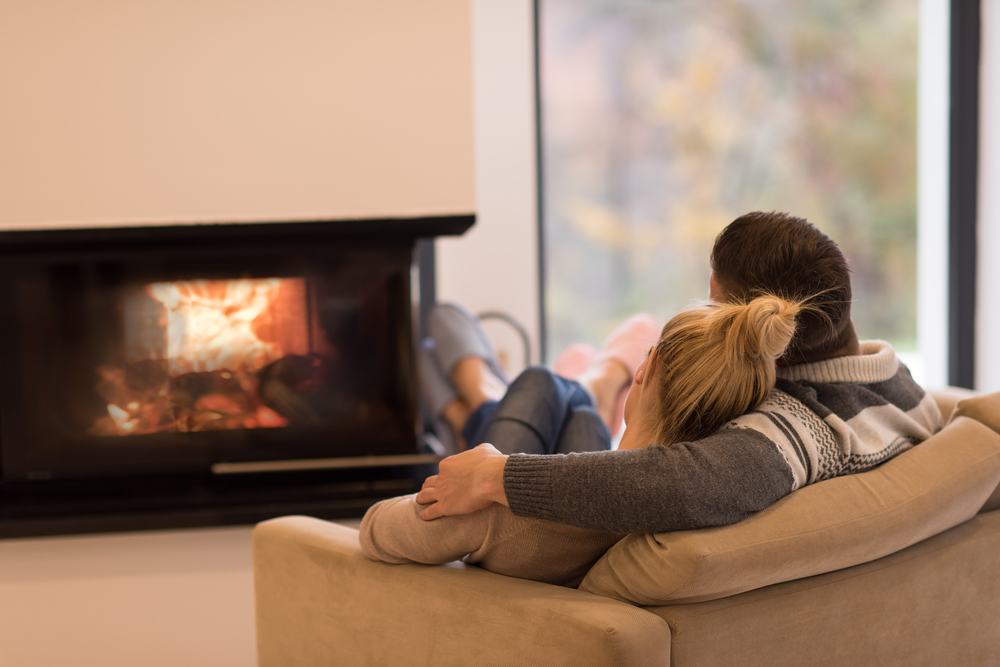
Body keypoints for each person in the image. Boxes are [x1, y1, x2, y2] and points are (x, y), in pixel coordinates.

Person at [413, 211, 944, 533]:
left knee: (536, 382)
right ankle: (509, 398)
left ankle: (492, 403)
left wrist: (493, 474)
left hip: (541, 556)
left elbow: (683, 486)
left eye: (714, 305)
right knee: (552, 387)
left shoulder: (791, 430)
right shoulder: (902, 385)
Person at [360, 294, 805, 586]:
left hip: (515, 531)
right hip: (583, 500)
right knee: (572, 404)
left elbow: (375, 529)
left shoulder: (491, 516)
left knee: (503, 366)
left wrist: (481, 471)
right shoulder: (684, 507)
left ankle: (484, 406)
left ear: (646, 369)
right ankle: (573, 386)